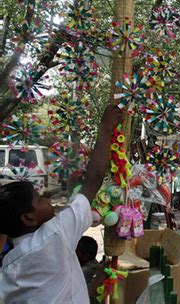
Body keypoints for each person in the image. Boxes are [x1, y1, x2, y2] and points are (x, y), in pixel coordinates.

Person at [0, 105, 122, 303]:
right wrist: (106, 129)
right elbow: (94, 179)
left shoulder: (9, 264)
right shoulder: (54, 236)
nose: (47, 199)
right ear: (28, 218)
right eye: (39, 199)